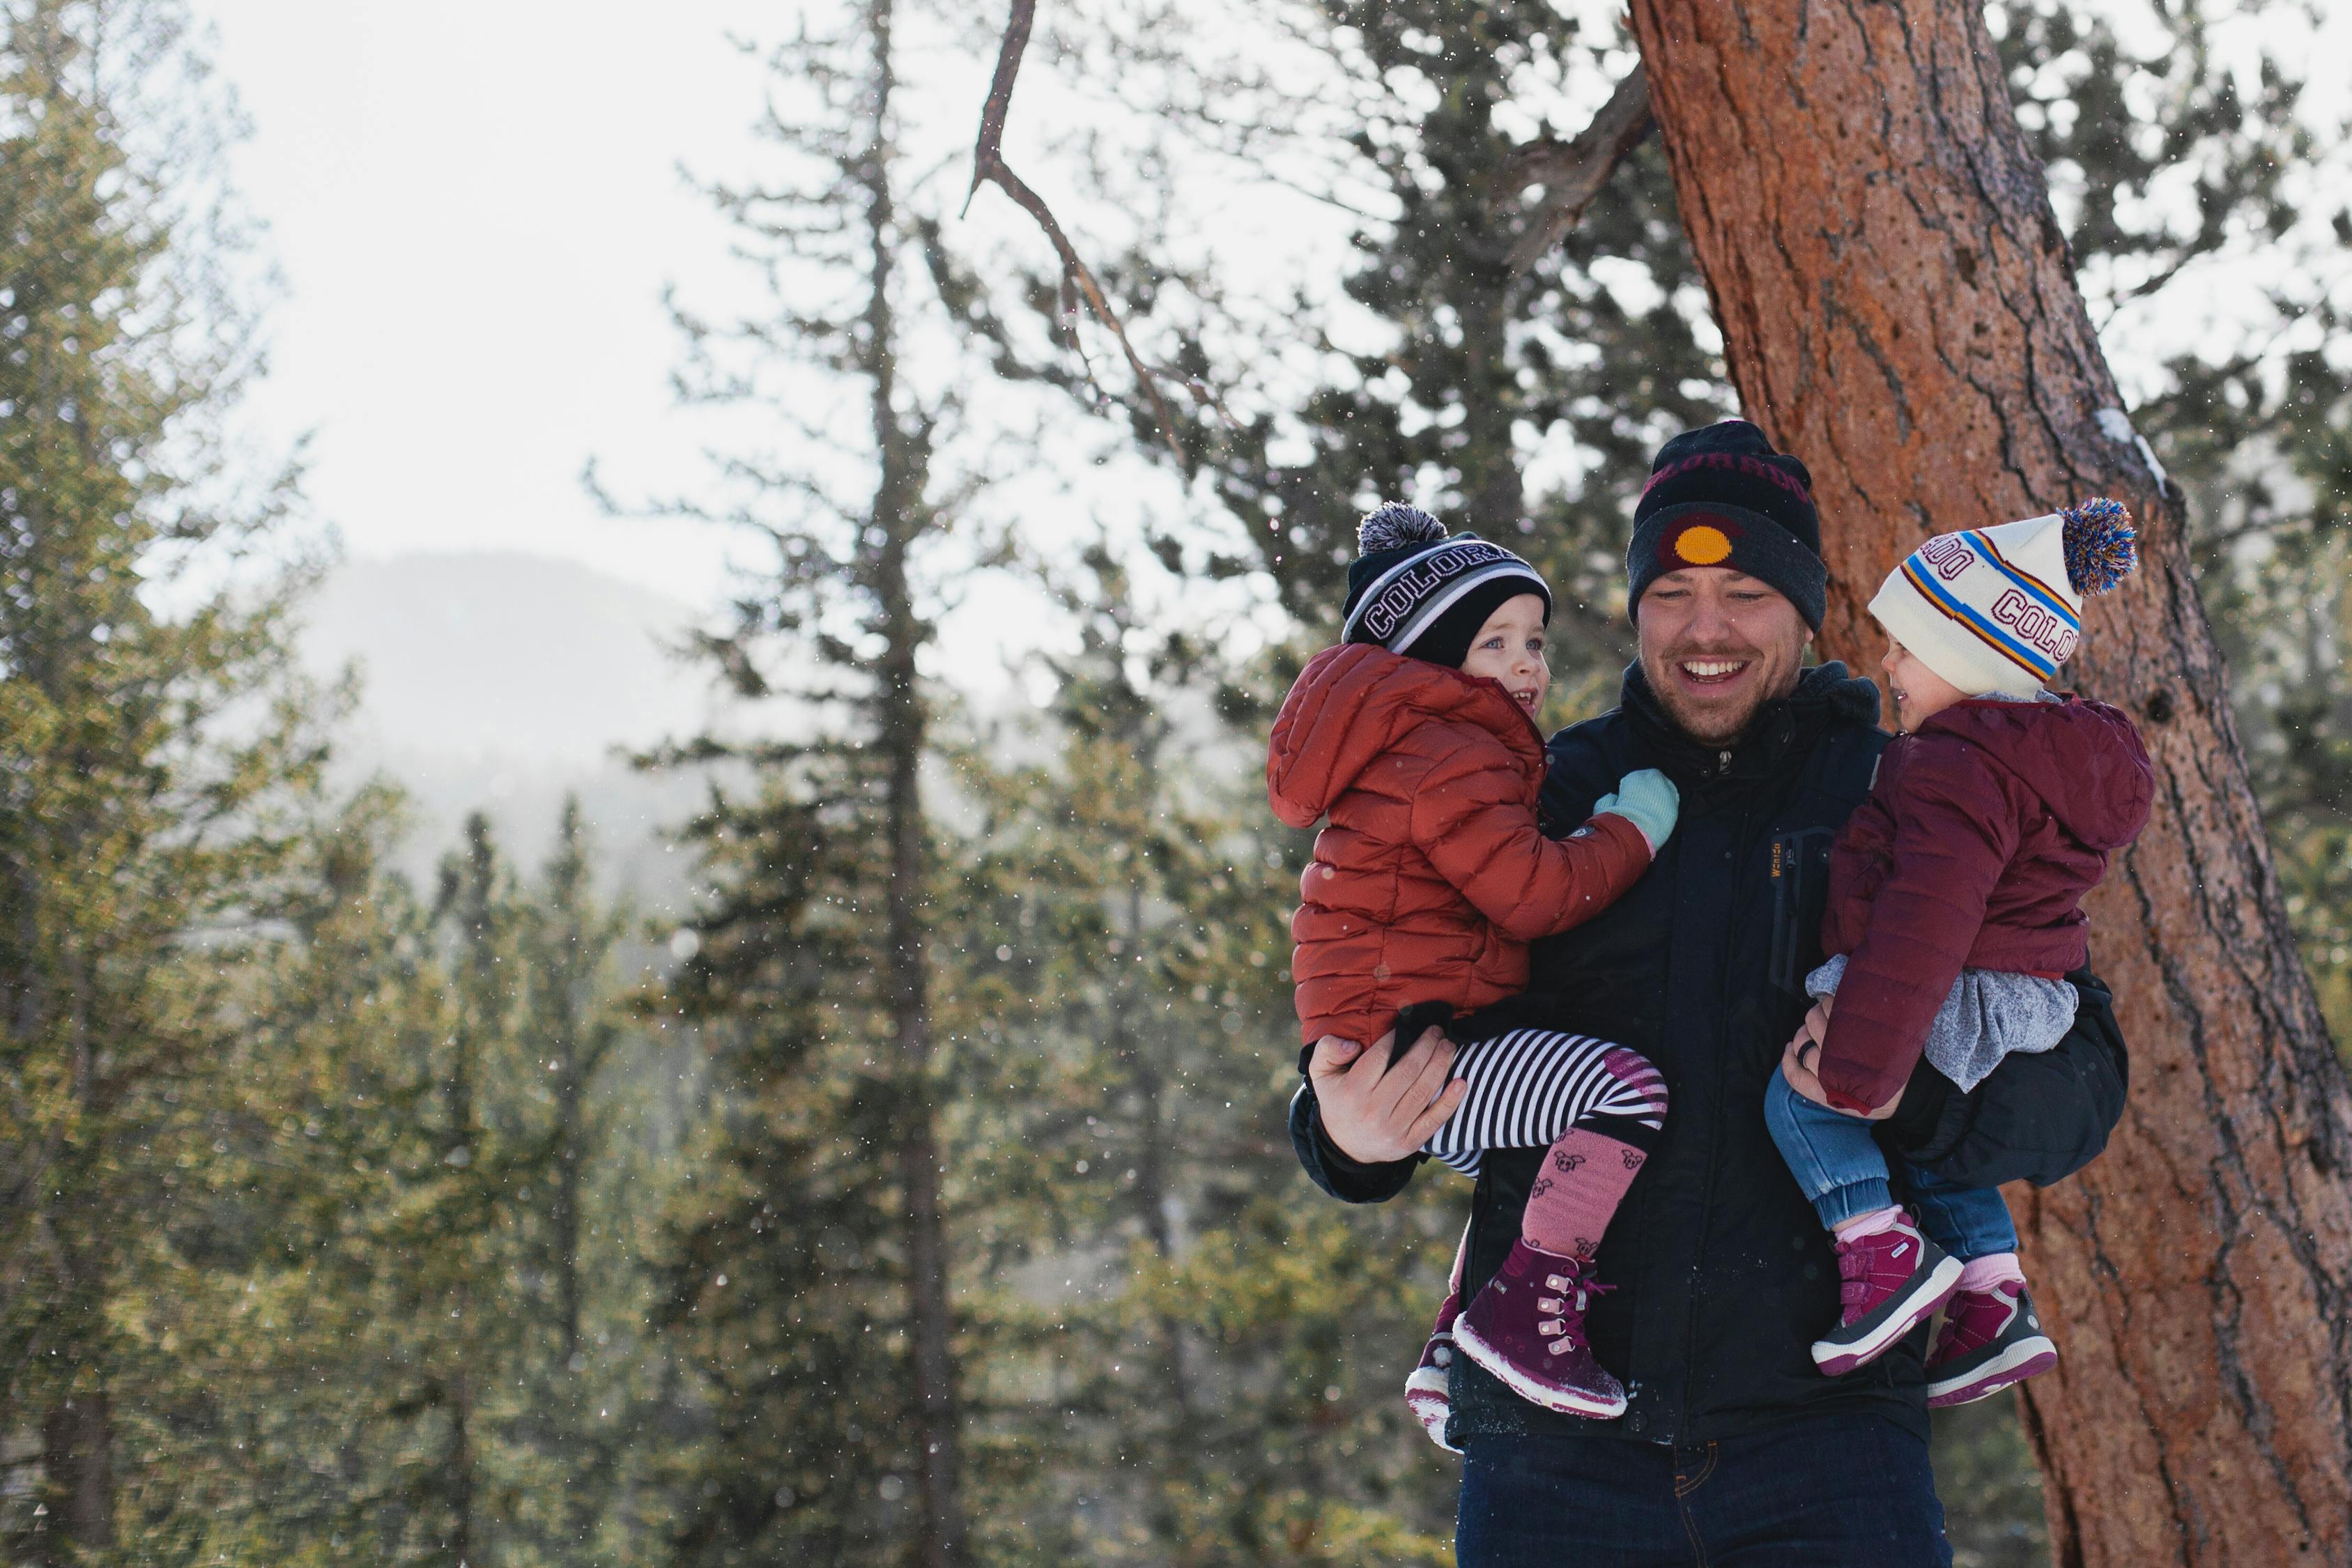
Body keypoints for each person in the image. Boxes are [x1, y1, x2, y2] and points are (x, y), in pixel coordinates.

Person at [1288, 421, 2130, 1567]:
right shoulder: (1547, 789)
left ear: (1807, 606)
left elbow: (2086, 1078)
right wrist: (1342, 1132)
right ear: (1634, 608)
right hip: (1554, 1453)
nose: (1706, 629)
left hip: (1828, 1438)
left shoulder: (1911, 788)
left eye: (1744, 590)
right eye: (1672, 592)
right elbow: (1382, 968)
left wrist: (1921, 1105)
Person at [1268, 502, 1680, 1427]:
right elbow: (1533, 893)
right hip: (1415, 1047)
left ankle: (1457, 1335)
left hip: (1419, 1030)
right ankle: (1516, 1322)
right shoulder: (1452, 755)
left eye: (1533, 638)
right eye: (1495, 643)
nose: (1530, 662)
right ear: (1430, 662)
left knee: (1533, 1162)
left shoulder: (1434, 750)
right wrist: (1627, 834)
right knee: (1625, 1092)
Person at [1767, 500, 2151, 1406]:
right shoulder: (2035, 758)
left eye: (1907, 644)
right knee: (1939, 1146)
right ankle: (1991, 1294)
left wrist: (1859, 1066)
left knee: (1804, 1099)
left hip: (1945, 985)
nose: (1889, 664)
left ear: (1973, 653)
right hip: (2020, 994)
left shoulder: (1952, 763)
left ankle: (1877, 1249)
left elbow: (1926, 916)